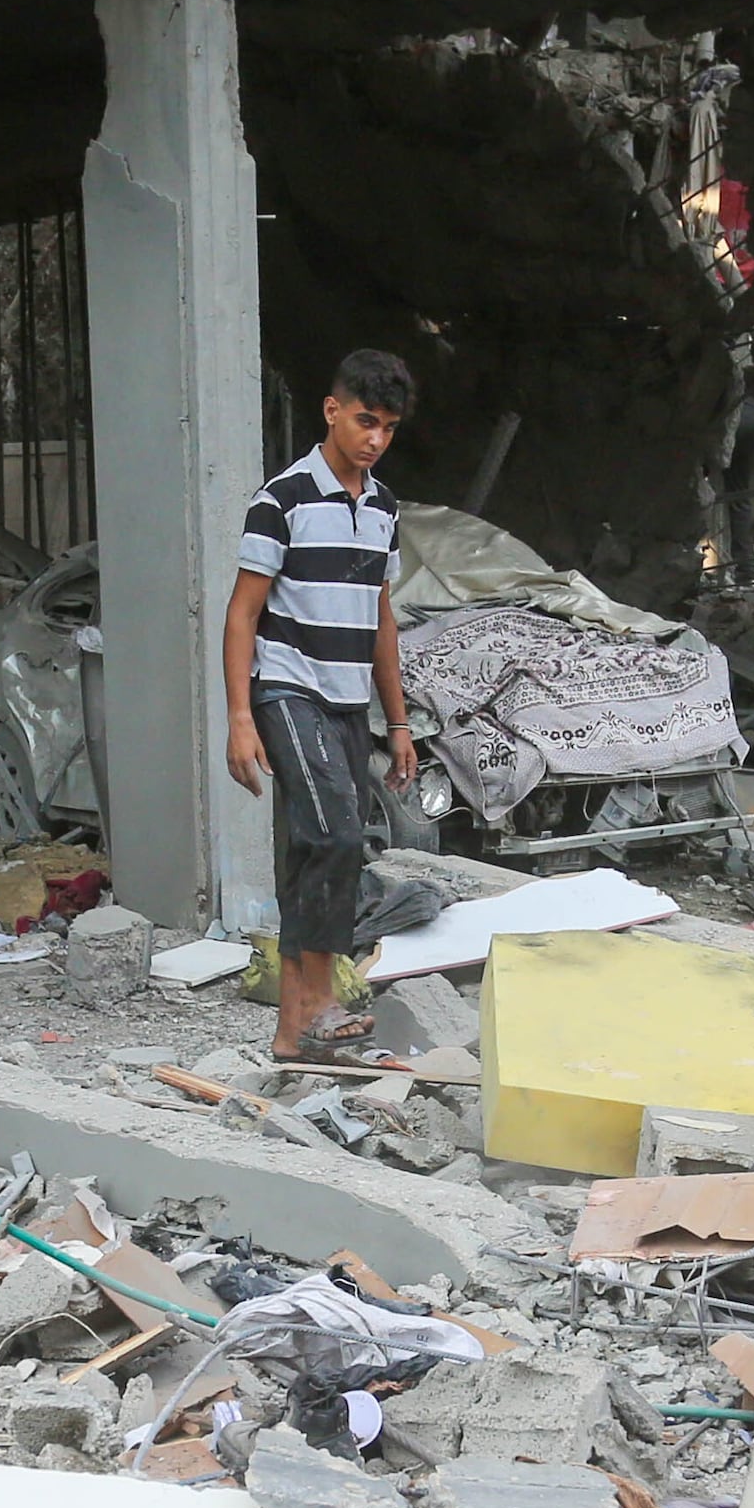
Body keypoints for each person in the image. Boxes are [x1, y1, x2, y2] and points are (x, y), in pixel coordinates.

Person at [222, 349, 426, 1067]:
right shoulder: (281, 499)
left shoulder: (384, 507)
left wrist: (397, 723)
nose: (375, 439)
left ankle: (290, 1033)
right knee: (335, 833)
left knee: (316, 848)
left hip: (348, 702)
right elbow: (243, 614)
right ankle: (317, 1005)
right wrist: (241, 717)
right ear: (332, 410)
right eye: (365, 420)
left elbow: (382, 622)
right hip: (287, 688)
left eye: (389, 428)